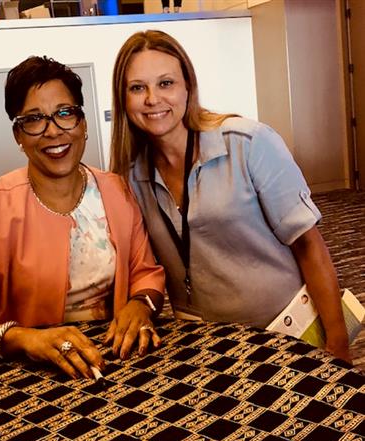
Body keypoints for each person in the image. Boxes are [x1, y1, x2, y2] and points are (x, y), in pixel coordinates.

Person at [110, 30, 351, 362]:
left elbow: (309, 246)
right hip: (208, 346)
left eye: (166, 83)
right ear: (123, 99)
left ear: (187, 87)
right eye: (138, 88)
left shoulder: (248, 143)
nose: (153, 99)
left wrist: (338, 345)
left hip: (288, 333)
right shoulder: (130, 176)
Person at [0, 55, 165, 379]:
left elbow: (146, 273)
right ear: (18, 136)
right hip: (29, 373)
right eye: (35, 119)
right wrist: (22, 339)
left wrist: (140, 304)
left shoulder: (116, 192)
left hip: (116, 358)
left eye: (65, 113)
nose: (53, 131)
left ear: (83, 124)